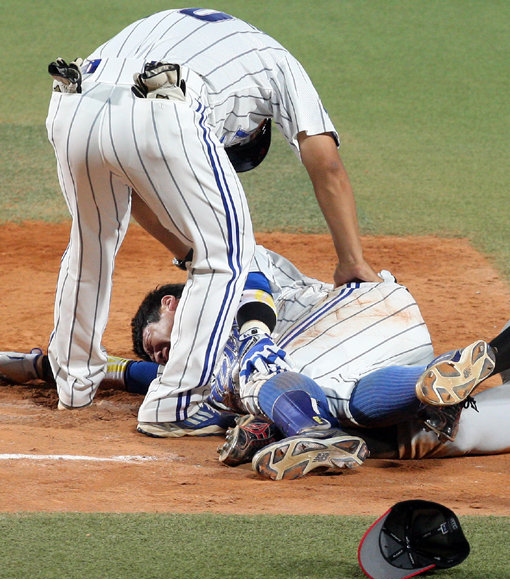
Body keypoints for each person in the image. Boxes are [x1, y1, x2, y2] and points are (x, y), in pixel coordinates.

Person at [45, 8, 379, 432]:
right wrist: (351, 260)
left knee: (89, 247)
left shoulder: (187, 27)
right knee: (229, 257)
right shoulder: (279, 63)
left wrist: (186, 250)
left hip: (74, 103)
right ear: (259, 128)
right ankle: (176, 406)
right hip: (162, 110)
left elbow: (139, 188)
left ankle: (73, 387)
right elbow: (326, 164)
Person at [5, 246, 509, 479]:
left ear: (170, 305)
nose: (160, 355)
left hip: (351, 317)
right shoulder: (192, 360)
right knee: (351, 401)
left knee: (242, 366)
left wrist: (253, 337)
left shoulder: (222, 273)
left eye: (154, 341)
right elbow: (127, 373)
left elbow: (254, 283)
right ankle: (438, 377)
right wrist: (31, 366)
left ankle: (304, 429)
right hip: (384, 352)